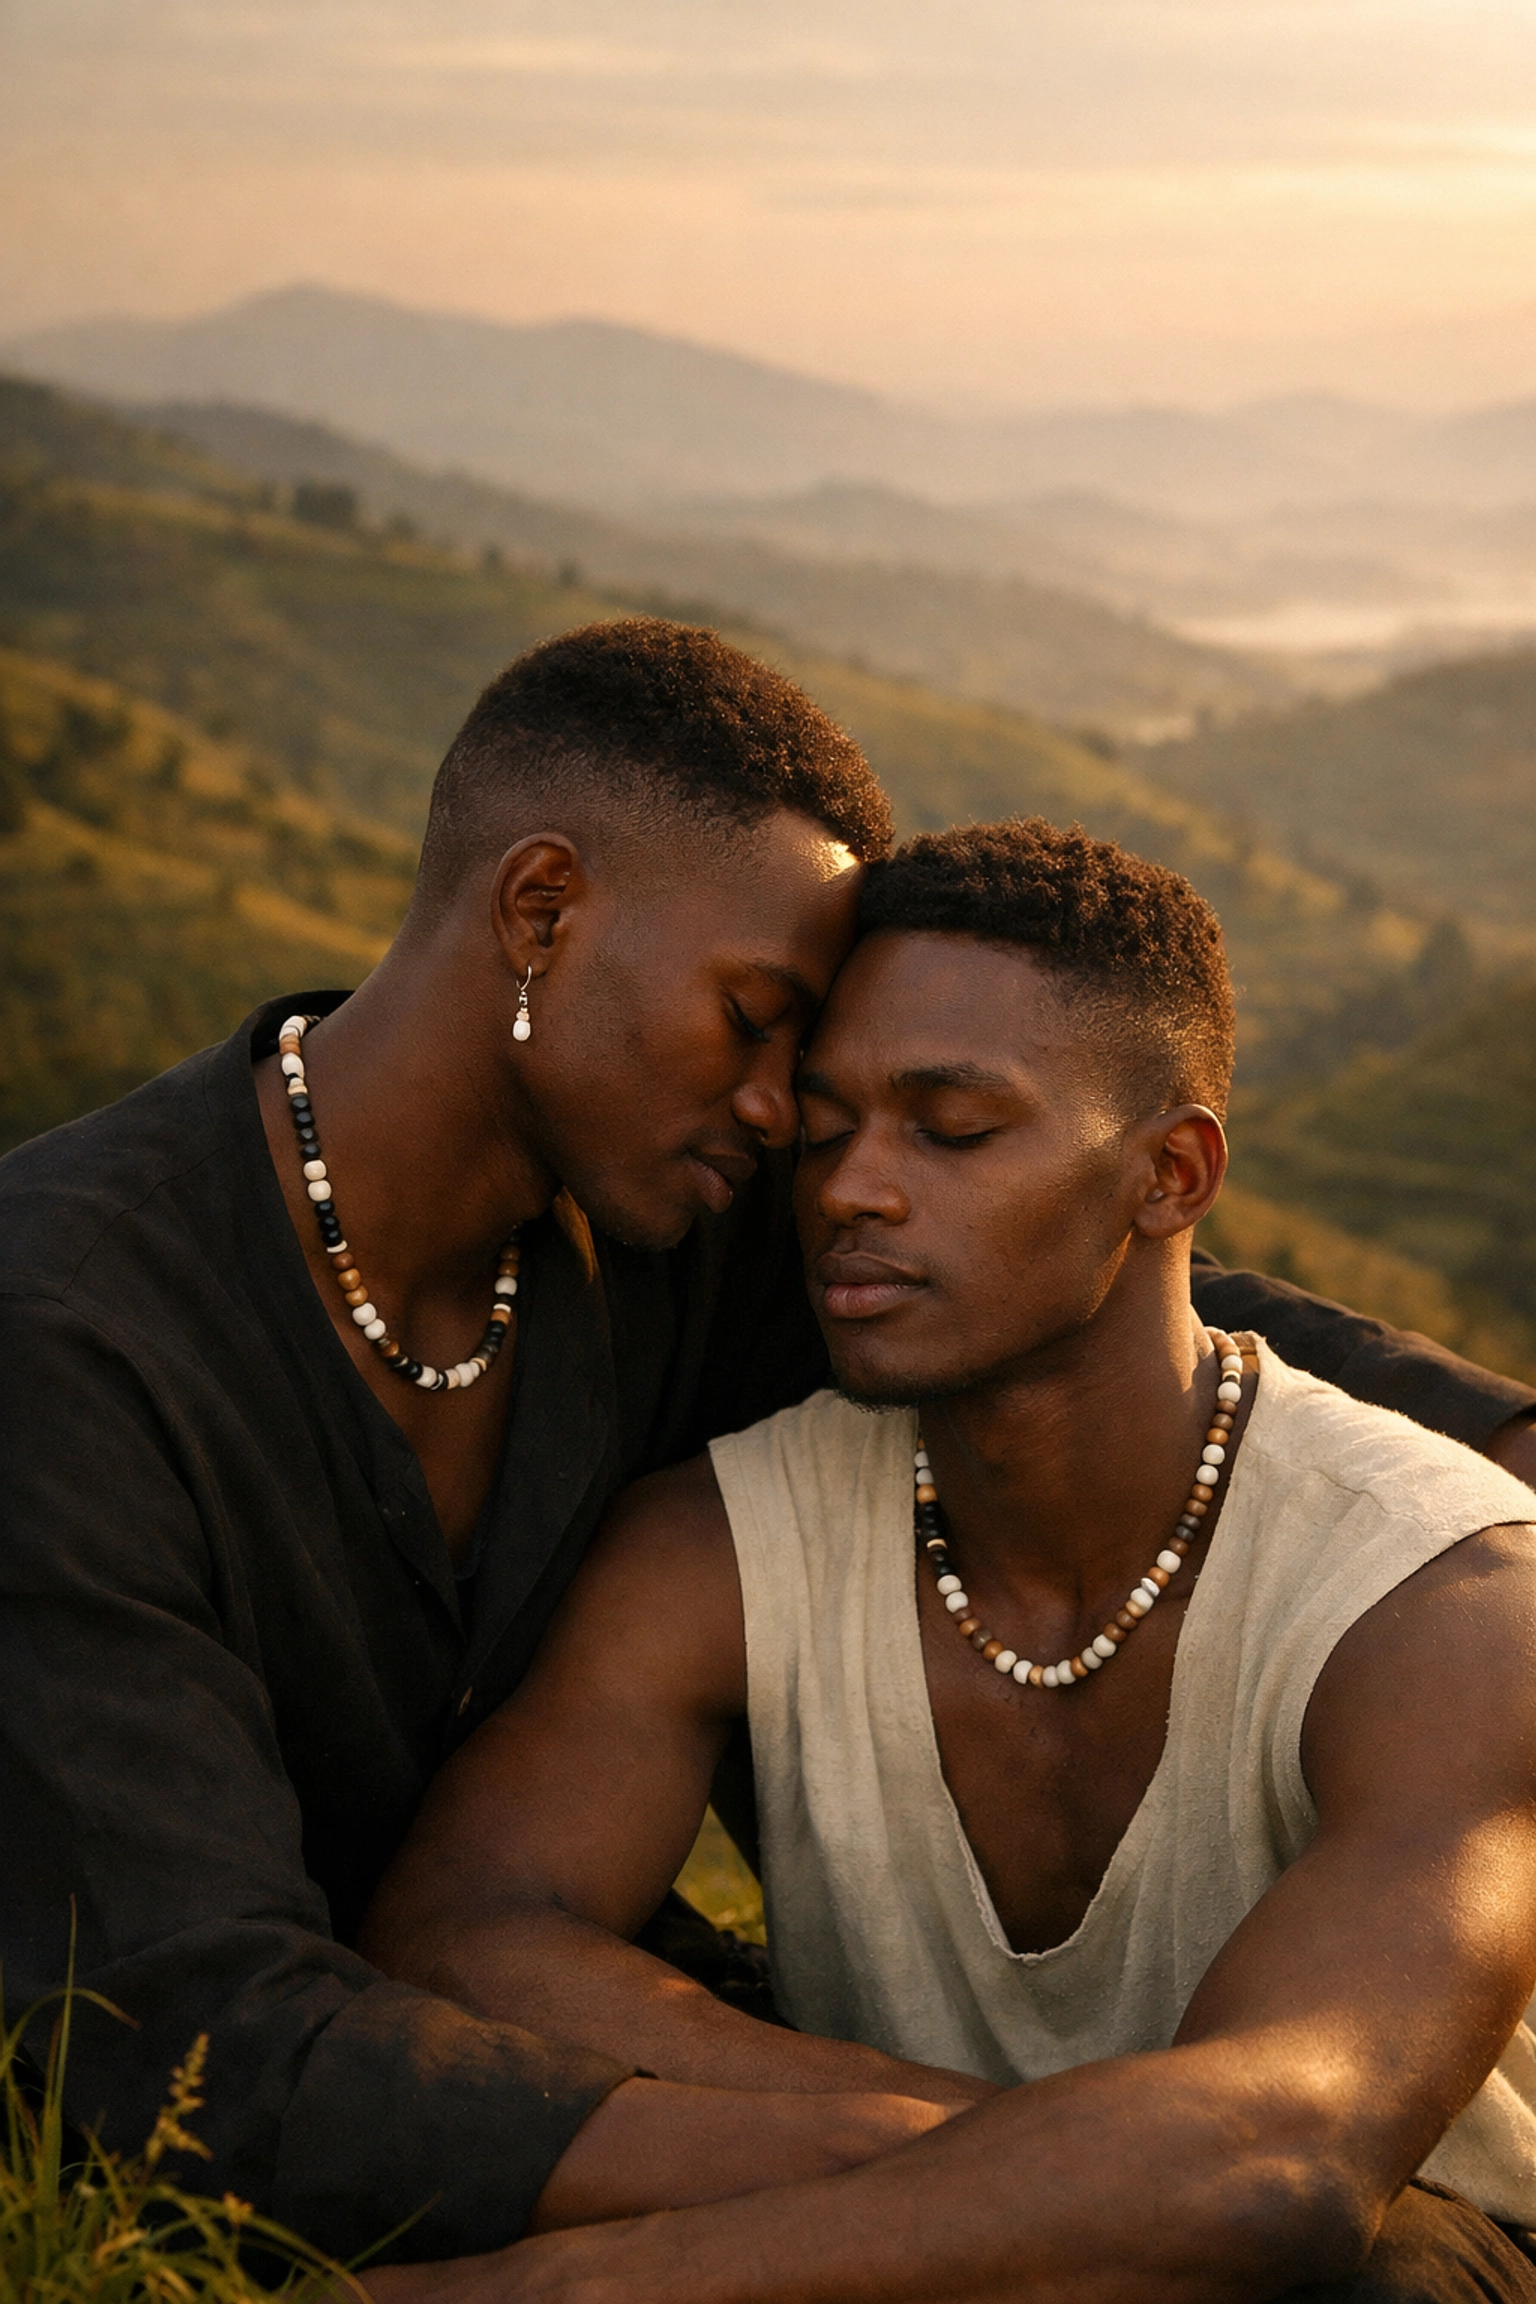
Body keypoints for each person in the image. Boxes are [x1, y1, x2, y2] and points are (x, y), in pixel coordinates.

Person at [1, 615, 1531, 2270]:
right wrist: (999, 2164)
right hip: (267, 2060)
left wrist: (1484, 1448)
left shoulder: (673, 1216)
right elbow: (182, 2031)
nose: (805, 1140)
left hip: (616, 2060)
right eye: (755, 1023)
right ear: (539, 910)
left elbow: (1087, 1289)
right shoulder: (69, 1345)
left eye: (889, 1110)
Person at [365, 820, 1536, 2303]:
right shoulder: (721, 1545)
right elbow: (459, 1929)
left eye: (952, 1129)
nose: (853, 1188)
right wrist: (980, 2152)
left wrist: (563, 2293)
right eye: (830, 1128)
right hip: (886, 2251)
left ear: (1170, 1175)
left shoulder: (1446, 1592)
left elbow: (1278, 2167)